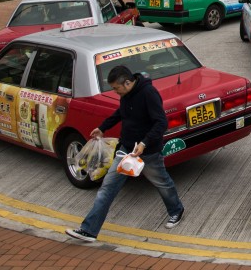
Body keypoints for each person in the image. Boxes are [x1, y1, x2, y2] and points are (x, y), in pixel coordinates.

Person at [66, 65, 184, 243]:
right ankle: (89, 230)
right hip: (126, 149)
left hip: (148, 152)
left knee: (162, 183)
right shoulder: (126, 95)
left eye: (116, 88)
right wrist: (102, 127)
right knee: (107, 188)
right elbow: (120, 113)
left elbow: (161, 123)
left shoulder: (148, 93)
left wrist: (144, 143)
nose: (115, 92)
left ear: (128, 82)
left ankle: (176, 210)